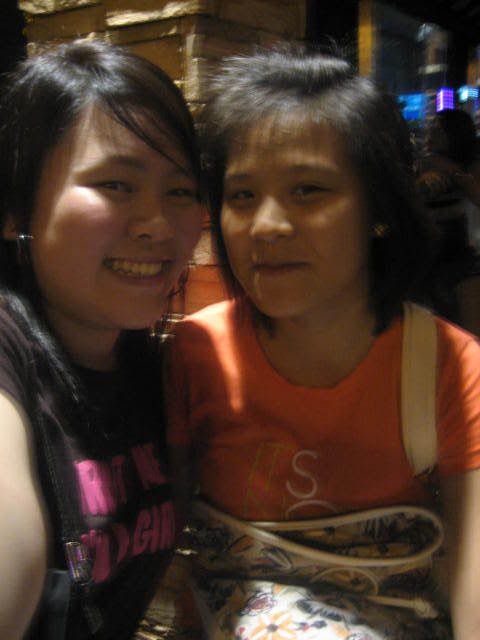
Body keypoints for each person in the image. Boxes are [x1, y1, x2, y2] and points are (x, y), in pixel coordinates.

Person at [166, 46, 480, 639]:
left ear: (378, 208)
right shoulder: (195, 351)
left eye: (308, 190)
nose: (266, 226)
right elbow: (168, 542)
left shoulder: (450, 366)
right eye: (242, 196)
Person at [0, 38, 203, 639]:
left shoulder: (141, 360)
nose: (158, 226)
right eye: (116, 184)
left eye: (180, 191)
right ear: (16, 209)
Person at [416, 109, 480, 322]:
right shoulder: (422, 164)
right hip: (424, 256)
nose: (430, 134)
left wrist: (451, 171)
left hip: (456, 255)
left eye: (439, 130)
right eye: (431, 128)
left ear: (455, 135)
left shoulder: (468, 166)